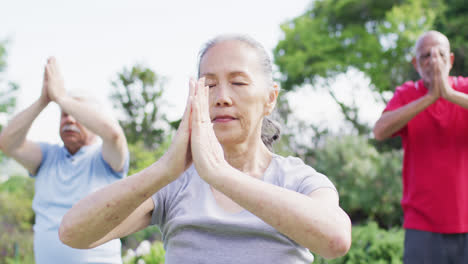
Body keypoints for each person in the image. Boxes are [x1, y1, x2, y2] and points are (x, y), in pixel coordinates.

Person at [59, 35, 351, 263]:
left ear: (270, 97)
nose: (222, 97)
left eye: (238, 82)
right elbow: (73, 233)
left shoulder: (298, 180)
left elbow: (335, 240)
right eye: (209, 85)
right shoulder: (175, 184)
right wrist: (164, 169)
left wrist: (220, 174)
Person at [0, 57, 129, 264]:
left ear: (92, 119)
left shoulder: (106, 158)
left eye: (76, 114)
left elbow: (114, 135)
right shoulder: (47, 156)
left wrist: (62, 99)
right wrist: (45, 99)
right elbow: (8, 143)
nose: (69, 119)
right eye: (63, 115)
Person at [374, 30, 468, 263]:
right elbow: (379, 131)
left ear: (451, 60)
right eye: (425, 55)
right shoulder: (406, 94)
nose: (433, 61)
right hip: (422, 224)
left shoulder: (464, 88)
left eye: (440, 54)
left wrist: (448, 94)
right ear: (415, 63)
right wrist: (430, 98)